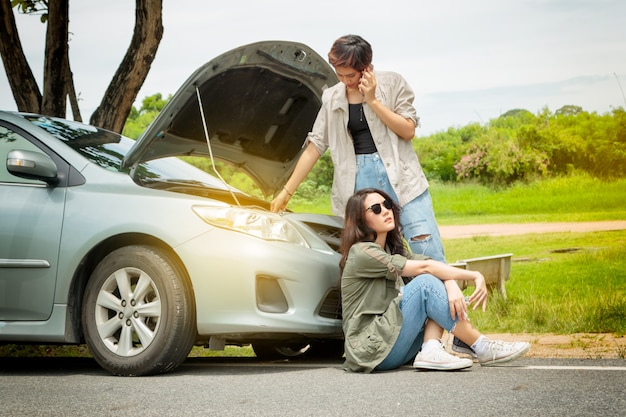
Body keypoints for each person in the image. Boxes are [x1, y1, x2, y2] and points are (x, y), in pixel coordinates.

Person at [270, 34, 445, 262]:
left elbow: (407, 130)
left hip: (402, 180)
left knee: (426, 247)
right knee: (372, 258)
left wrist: (372, 101)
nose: (345, 80)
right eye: (339, 74)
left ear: (366, 67)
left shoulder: (393, 84)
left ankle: (447, 295)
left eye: (350, 75)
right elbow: (315, 146)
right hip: (358, 185)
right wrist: (286, 193)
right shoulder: (332, 98)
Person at [339, 188, 530, 372]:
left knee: (433, 282)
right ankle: (481, 346)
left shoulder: (391, 249)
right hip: (368, 349)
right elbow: (425, 269)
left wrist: (450, 284)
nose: (386, 211)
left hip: (391, 343)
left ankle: (431, 349)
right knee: (425, 284)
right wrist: (475, 275)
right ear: (360, 219)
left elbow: (430, 264)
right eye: (376, 209)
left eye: (387, 204)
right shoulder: (362, 252)